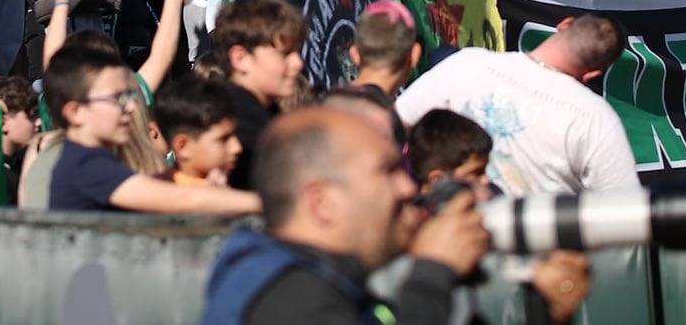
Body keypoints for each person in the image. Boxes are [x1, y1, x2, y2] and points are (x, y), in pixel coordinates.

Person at [198, 104, 493, 325]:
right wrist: (432, 274)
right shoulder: (293, 301)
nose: (407, 187)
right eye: (386, 171)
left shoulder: (312, 281)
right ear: (321, 203)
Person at [394, 14, 638, 196]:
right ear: (594, 74)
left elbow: (393, 125)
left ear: (565, 24)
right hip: (533, 255)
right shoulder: (596, 117)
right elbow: (624, 211)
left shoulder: (466, 63)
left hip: (444, 241)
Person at [42, 43, 259, 214]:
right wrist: (268, 205)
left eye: (129, 96)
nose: (130, 107)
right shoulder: (86, 166)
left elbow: (163, 184)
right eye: (117, 98)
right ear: (75, 112)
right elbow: (181, 200)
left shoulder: (95, 159)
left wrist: (205, 188)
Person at [214, 0, 307, 190]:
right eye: (284, 54)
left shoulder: (267, 114)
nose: (298, 64)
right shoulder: (225, 122)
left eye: (298, 52)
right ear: (241, 59)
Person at [154, 73, 246, 186]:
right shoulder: (161, 196)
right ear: (183, 147)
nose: (237, 148)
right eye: (223, 139)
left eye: (235, 135)